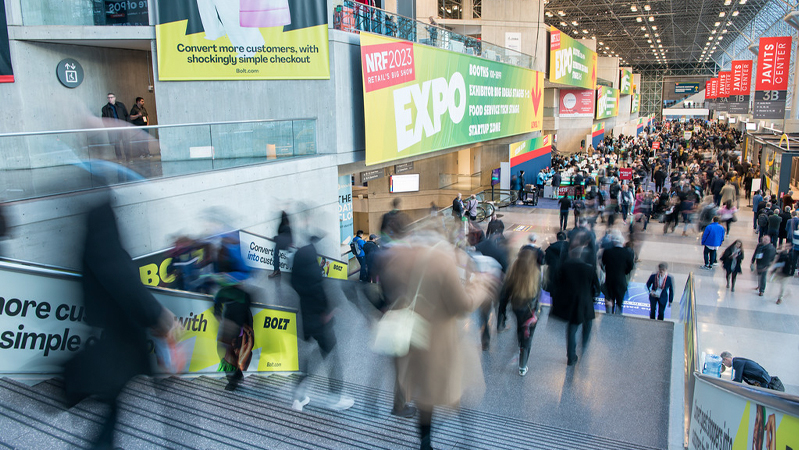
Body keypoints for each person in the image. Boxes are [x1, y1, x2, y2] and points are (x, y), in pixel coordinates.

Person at [63, 195, 173, 449]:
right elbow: (121, 278)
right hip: (116, 339)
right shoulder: (102, 226)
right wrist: (156, 313)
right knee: (111, 397)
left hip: (116, 337)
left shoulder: (94, 227)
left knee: (112, 402)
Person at [378, 236, 496, 450]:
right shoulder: (442, 261)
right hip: (442, 344)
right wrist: (481, 283)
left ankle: (425, 444)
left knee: (425, 397)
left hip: (415, 339)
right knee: (460, 387)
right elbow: (463, 305)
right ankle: (468, 439)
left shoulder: (406, 256)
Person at [291, 236, 354, 412]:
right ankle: (335, 397)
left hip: (306, 320)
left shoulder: (298, 272)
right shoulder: (312, 271)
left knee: (314, 357)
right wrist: (328, 312)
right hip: (320, 322)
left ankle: (298, 397)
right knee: (333, 358)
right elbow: (319, 294)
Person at [212, 234, 254, 391]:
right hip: (232, 307)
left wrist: (229, 278)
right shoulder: (222, 257)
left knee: (227, 346)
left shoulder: (234, 254)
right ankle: (235, 375)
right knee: (225, 346)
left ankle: (234, 377)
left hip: (238, 307)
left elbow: (246, 273)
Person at [550, 245, 600, 366]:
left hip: (571, 302)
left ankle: (570, 356)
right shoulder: (589, 268)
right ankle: (584, 343)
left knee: (572, 329)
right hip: (586, 302)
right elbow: (597, 288)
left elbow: (557, 284)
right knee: (588, 324)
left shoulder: (564, 267)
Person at [498, 250, 542, 376]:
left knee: (520, 328)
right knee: (528, 336)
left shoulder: (513, 273)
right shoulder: (536, 273)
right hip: (531, 309)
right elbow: (538, 293)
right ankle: (523, 365)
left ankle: (520, 343)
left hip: (517, 307)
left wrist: (502, 313)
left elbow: (505, 294)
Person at [600, 230, 634, 314]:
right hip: (621, 280)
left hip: (609, 281)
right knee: (619, 302)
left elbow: (602, 264)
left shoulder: (607, 252)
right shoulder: (627, 253)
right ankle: (618, 317)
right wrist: (624, 272)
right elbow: (630, 267)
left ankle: (608, 316)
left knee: (609, 301)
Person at [720, 352, 784, 391]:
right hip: (765, 383)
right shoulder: (739, 361)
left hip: (766, 384)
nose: (725, 365)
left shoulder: (737, 362)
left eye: (723, 363)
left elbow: (738, 380)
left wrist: (725, 385)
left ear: (726, 359)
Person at [101, 93, 130, 161]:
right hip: (114, 128)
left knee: (126, 142)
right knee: (117, 145)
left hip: (122, 127)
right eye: (108, 98)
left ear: (114, 98)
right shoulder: (105, 108)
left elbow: (126, 115)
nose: (110, 99)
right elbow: (104, 119)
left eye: (111, 97)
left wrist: (127, 124)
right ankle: (119, 158)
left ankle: (128, 158)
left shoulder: (120, 105)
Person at [269, 211, 292, 278]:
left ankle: (277, 270)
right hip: (283, 243)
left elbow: (284, 235)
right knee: (276, 253)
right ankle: (276, 270)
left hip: (285, 243)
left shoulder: (286, 226)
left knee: (288, 255)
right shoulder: (284, 225)